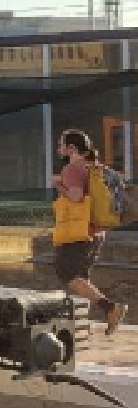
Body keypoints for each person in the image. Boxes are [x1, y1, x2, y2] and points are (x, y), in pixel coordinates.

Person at [53, 128, 126, 334]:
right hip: (97, 232)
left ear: (71, 148)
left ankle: (111, 308)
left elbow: (76, 197)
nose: (59, 148)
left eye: (61, 145)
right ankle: (86, 319)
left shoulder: (72, 169)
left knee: (67, 274)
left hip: (79, 232)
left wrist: (58, 185)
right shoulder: (95, 167)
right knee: (80, 277)